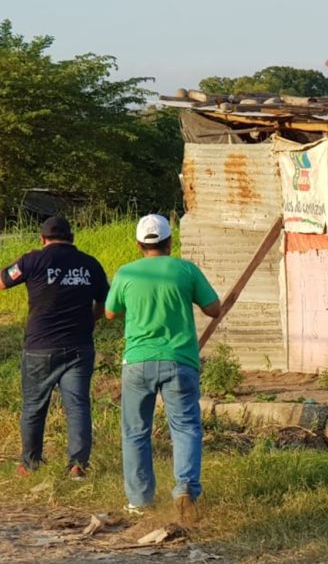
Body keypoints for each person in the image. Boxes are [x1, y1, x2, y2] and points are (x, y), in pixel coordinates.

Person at [104, 214, 220, 524]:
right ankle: (185, 489)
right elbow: (214, 308)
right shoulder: (186, 270)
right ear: (171, 242)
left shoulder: (126, 273)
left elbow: (110, 312)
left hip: (137, 362)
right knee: (185, 428)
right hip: (179, 361)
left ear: (139, 244)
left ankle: (140, 500)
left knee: (135, 432)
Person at [1, 217, 109, 479]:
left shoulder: (32, 260)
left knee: (34, 407)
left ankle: (29, 464)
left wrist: (22, 259)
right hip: (79, 347)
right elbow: (107, 305)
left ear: (42, 238)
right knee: (78, 406)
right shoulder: (90, 264)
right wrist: (90, 318)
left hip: (40, 347)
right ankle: (77, 466)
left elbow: (2, 281)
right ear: (72, 237)